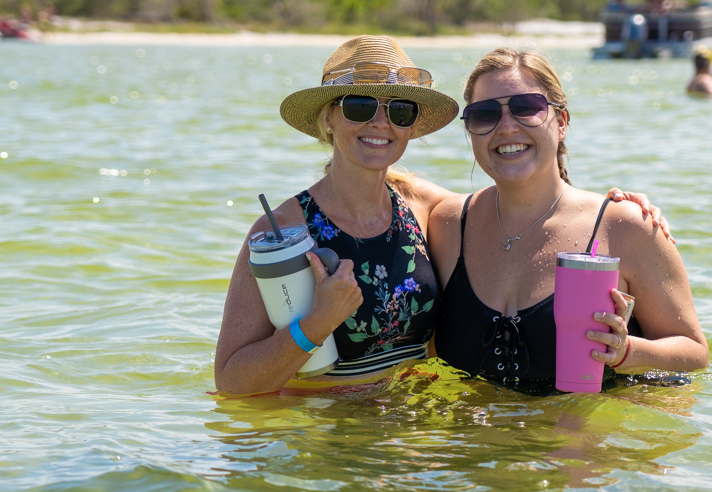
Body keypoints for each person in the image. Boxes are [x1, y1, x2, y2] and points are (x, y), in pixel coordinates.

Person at [213, 36, 672, 397]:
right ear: (329, 118)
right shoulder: (283, 232)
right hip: (329, 432)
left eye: (399, 108)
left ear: (411, 124)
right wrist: (315, 323)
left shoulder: (425, 209)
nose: (380, 122)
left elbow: (522, 199)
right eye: (359, 106)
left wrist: (615, 207)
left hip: (420, 431)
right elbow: (232, 380)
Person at [428, 48, 710, 396]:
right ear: (470, 131)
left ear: (561, 123)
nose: (505, 127)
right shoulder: (448, 225)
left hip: (579, 443)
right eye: (484, 114)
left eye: (526, 107)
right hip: (471, 445)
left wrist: (626, 353)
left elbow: (694, 352)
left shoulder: (623, 226)